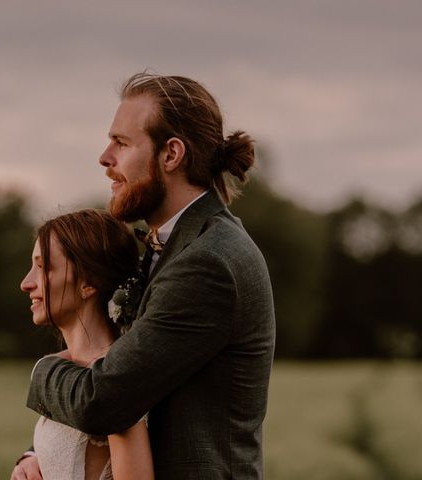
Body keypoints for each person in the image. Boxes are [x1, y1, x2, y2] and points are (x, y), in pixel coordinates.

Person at [15, 73, 275, 479]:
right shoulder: (169, 249)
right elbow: (122, 363)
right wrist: (41, 454)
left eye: (121, 143)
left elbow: (106, 400)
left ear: (171, 154)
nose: (105, 158)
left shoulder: (208, 262)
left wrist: (42, 372)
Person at [17, 209, 154, 480]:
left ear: (88, 282)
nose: (26, 283)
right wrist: (32, 459)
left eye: (44, 267)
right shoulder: (65, 369)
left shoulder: (116, 383)